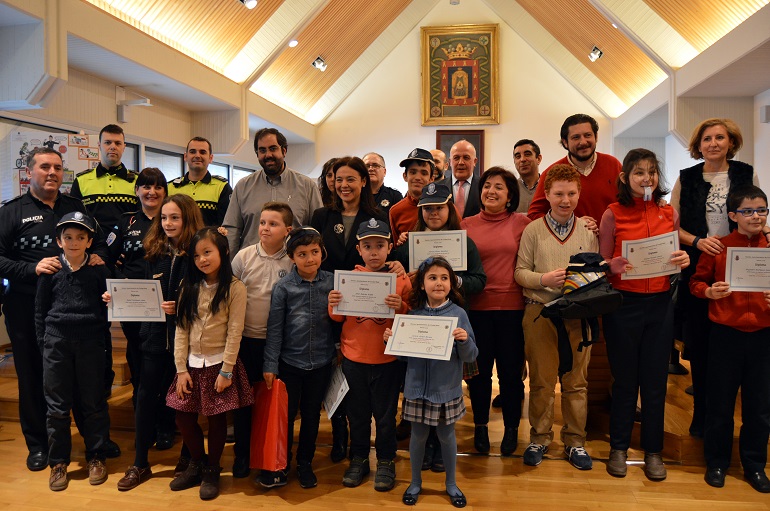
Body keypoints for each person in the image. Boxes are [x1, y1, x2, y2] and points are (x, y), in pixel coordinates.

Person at [0, 148, 110, 472]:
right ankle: (39, 446)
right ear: (29, 171)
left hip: (76, 309)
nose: (52, 172)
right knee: (33, 376)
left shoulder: (76, 208)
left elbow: (101, 244)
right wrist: (31, 269)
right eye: (44, 166)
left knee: (82, 380)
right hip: (26, 306)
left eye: (58, 168)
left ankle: (94, 444)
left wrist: (95, 257)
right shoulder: (11, 212)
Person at [599, 149, 689, 479]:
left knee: (655, 383)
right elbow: (601, 261)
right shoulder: (613, 213)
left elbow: (676, 255)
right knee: (625, 382)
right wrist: (612, 265)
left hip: (661, 305)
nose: (646, 178)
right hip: (624, 305)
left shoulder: (669, 213)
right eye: (639, 172)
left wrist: (682, 260)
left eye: (651, 172)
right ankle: (619, 448)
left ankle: (654, 452)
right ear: (626, 178)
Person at [670, 118, 757, 439]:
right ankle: (701, 415)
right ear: (699, 144)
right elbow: (672, 225)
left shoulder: (746, 174)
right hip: (698, 267)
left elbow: (756, 215)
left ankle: (732, 422)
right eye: (707, 138)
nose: (714, 144)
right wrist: (697, 241)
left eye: (720, 137)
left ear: (731, 142)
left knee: (733, 345)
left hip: (738, 267)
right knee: (701, 343)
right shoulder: (687, 178)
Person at [111, 194, 203, 491]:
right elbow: (147, 295)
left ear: (187, 219)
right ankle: (139, 463)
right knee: (145, 396)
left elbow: (211, 296)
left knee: (187, 401)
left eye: (174, 217)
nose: (168, 223)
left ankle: (189, 459)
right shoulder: (155, 251)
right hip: (154, 338)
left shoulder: (200, 253)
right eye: (164, 218)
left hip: (189, 341)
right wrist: (119, 300)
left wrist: (183, 306)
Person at [392, 182, 486, 471]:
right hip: (419, 323)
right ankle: (424, 442)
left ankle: (438, 445)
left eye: (439, 207)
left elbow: (479, 281)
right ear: (421, 211)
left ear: (450, 209)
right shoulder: (409, 242)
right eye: (428, 208)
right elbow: (399, 280)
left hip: (452, 322)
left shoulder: (464, 242)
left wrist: (453, 280)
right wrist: (404, 273)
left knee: (445, 388)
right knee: (421, 382)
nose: (434, 212)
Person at [515, 165, 600, 470]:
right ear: (547, 195)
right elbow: (520, 272)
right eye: (559, 194)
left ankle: (576, 442)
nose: (566, 200)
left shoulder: (589, 231)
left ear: (579, 194)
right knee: (541, 382)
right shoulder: (533, 230)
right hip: (540, 313)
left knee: (576, 382)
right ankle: (539, 437)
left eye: (571, 193)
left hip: (578, 316)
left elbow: (597, 273)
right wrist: (544, 279)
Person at [689, 185, 770, 494]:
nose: (756, 216)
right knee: (720, 403)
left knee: (759, 406)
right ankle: (717, 462)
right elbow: (696, 282)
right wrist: (709, 292)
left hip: (763, 335)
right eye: (748, 211)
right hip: (725, 335)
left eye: (762, 210)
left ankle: (755, 465)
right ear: (734, 215)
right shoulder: (719, 247)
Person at [385, 256, 478, 508]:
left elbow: (471, 356)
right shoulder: (413, 315)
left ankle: (451, 484)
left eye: (444, 278)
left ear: (452, 284)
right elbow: (403, 355)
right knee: (418, 436)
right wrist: (390, 340)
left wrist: (464, 340)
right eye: (432, 277)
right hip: (416, 389)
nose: (439, 283)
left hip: (445, 391)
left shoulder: (459, 314)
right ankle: (415, 482)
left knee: (447, 436)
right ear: (422, 284)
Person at [166, 228, 251, 500]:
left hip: (218, 365)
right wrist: (180, 369)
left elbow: (235, 330)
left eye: (208, 252)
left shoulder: (235, 288)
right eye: (197, 255)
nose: (202, 259)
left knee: (216, 420)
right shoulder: (187, 286)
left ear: (223, 253)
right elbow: (181, 329)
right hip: (190, 365)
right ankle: (197, 463)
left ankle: (213, 468)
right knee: (183, 416)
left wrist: (227, 370)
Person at [327, 218, 411, 491]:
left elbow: (407, 322)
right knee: (358, 414)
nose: (374, 252)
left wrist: (401, 307)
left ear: (389, 248)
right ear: (359, 249)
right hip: (354, 359)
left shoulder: (400, 281)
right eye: (368, 246)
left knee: (385, 417)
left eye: (380, 245)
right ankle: (360, 457)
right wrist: (334, 304)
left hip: (387, 361)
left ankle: (386, 460)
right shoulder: (348, 279)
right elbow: (338, 319)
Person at [36, 211, 112, 491]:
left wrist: (108, 304)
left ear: (90, 241)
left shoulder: (99, 270)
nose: (74, 242)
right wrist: (43, 343)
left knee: (93, 403)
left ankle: (96, 456)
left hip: (91, 343)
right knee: (56, 407)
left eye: (81, 237)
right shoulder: (51, 271)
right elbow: (40, 310)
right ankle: (58, 463)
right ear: (59, 240)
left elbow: (109, 308)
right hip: (56, 344)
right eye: (68, 237)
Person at [461, 167, 530, 455]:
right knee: (478, 374)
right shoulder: (465, 225)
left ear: (510, 195)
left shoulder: (523, 223)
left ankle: (512, 429)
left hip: (512, 310)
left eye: (499, 187)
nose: (491, 191)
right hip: (476, 310)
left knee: (511, 376)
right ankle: (479, 427)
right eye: (487, 185)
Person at [262, 227, 335, 489]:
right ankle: (281, 463)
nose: (310, 259)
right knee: (285, 417)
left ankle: (305, 463)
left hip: (322, 364)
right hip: (290, 364)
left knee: (312, 416)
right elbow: (275, 328)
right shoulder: (283, 288)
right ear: (292, 257)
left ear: (322, 252)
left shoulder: (332, 282)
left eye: (314, 252)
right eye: (302, 254)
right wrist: (270, 364)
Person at [230, 202, 294, 479]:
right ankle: (242, 454)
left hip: (278, 344)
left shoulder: (292, 260)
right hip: (247, 341)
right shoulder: (244, 257)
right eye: (263, 223)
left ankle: (273, 457)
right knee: (245, 402)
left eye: (273, 224)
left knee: (273, 402)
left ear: (288, 230)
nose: (265, 228)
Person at [107, 168, 168, 416]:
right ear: (137, 190)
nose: (151, 192)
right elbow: (106, 258)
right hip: (131, 302)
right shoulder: (125, 221)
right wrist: (120, 282)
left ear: (165, 192)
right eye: (146, 186)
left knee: (163, 359)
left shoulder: (171, 220)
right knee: (137, 353)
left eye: (157, 187)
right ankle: (142, 410)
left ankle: (165, 416)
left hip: (165, 303)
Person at [223, 127, 322, 257]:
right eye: (262, 150)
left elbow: (317, 231)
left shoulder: (307, 186)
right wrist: (229, 266)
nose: (268, 155)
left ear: (284, 151)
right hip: (250, 267)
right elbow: (232, 230)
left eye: (273, 148)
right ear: (257, 154)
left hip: (293, 267)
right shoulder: (243, 186)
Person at [527, 114, 621, 225]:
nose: (583, 142)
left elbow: (628, 204)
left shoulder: (613, 164)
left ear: (596, 137)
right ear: (565, 142)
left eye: (587, 135)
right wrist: (571, 224)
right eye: (576, 137)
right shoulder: (551, 173)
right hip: (571, 241)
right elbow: (534, 214)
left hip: (611, 240)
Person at [70, 124, 139, 232]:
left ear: (123, 147)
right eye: (107, 142)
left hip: (126, 246)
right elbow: (75, 220)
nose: (113, 147)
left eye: (118, 143)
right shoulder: (81, 180)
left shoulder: (138, 180)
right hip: (93, 247)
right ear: (99, 145)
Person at [169, 137, 232, 227]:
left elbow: (227, 226)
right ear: (185, 156)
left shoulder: (222, 188)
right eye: (192, 152)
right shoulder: (171, 187)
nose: (197, 155)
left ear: (210, 158)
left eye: (202, 152)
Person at [389, 148, 436, 244]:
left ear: (431, 178)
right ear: (405, 176)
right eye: (413, 172)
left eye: (424, 173)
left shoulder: (446, 207)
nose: (418, 178)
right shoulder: (395, 211)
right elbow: (395, 249)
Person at [442, 140, 481, 219]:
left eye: (466, 158)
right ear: (450, 162)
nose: (461, 162)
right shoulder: (439, 187)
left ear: (474, 161)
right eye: (456, 158)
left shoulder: (484, 186)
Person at [364, 152, 403, 217]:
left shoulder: (394, 196)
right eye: (367, 166)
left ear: (384, 172)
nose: (370, 169)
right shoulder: (356, 195)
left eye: (375, 165)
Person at [513, 139, 542, 214]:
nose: (522, 159)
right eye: (518, 156)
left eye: (527, 154)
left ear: (538, 159)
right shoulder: (510, 188)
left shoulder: (550, 187)